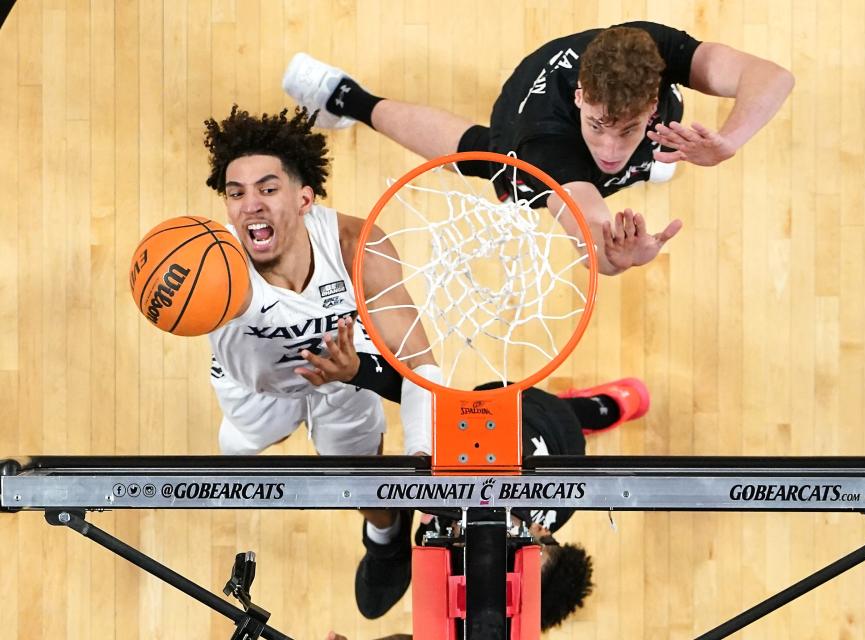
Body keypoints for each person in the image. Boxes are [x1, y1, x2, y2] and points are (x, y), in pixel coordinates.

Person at [282, 21, 794, 276]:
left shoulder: (648, 50)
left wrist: (728, 141)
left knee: (629, 161)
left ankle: (652, 158)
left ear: (655, 100)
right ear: (579, 97)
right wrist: (619, 256)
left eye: (629, 128)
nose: (609, 148)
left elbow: (771, 76)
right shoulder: (547, 145)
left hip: (632, 107)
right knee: (483, 156)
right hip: (525, 126)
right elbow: (587, 228)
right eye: (598, 126)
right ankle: (349, 98)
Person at [202, 104, 442, 619]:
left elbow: (421, 367)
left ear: (305, 197)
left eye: (267, 189)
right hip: (254, 389)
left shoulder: (359, 246)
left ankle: (386, 534)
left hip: (342, 377)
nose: (250, 206)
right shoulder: (207, 262)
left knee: (363, 478)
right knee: (234, 451)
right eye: (236, 193)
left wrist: (422, 460)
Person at [353, 378, 650, 628]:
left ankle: (386, 532)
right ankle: (590, 408)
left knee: (373, 604)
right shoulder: (553, 493)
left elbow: (372, 601)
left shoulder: (467, 564)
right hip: (529, 413)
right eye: (514, 546)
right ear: (540, 530)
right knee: (572, 422)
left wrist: (385, 529)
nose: (495, 544)